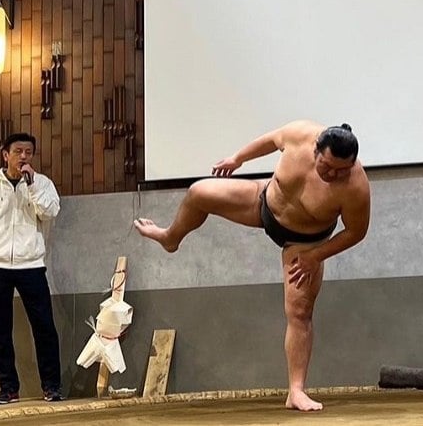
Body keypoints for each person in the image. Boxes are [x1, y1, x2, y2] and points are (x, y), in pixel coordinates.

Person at [135, 120, 371, 411]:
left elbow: (356, 232)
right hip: (263, 204)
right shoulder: (300, 135)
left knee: (299, 312)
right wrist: (238, 158)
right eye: (328, 166)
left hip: (306, 242)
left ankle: (296, 391)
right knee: (198, 193)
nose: (333, 174)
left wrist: (316, 256)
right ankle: (170, 238)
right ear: (315, 150)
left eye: (341, 170)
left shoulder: (355, 186)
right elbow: (272, 139)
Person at [0, 133, 64, 404]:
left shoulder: (42, 183)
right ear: (6, 154)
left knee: (44, 327)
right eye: (18, 151)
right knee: (0, 330)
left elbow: (50, 212)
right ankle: (8, 389)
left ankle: (52, 386)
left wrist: (33, 184)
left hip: (31, 264)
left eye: (28, 152)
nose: (23, 157)